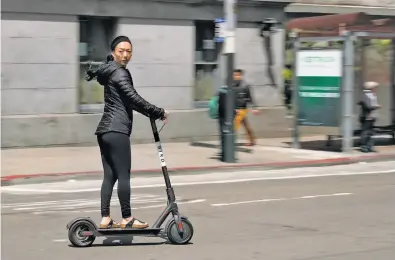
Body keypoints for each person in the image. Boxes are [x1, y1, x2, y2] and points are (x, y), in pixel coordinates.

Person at [85, 35, 169, 229]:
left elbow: (127, 101)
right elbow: (133, 97)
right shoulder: (120, 73)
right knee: (124, 175)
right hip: (117, 130)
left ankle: (105, 217)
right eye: (121, 51)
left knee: (110, 176)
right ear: (113, 52)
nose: (125, 55)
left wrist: (150, 113)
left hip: (104, 131)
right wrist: (158, 111)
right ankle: (127, 218)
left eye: (129, 51)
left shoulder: (109, 73)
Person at [233, 69, 259, 146]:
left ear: (241, 76)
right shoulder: (232, 85)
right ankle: (252, 139)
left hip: (242, 108)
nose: (235, 77)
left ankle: (229, 140)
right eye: (234, 75)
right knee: (245, 124)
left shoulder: (245, 86)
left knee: (234, 124)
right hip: (235, 108)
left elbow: (250, 97)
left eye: (237, 75)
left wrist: (254, 107)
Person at [358, 81, 381, 153]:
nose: (376, 88)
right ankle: (364, 147)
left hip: (371, 117)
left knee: (370, 132)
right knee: (365, 132)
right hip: (366, 117)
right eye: (375, 87)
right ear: (371, 88)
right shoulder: (366, 95)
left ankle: (370, 146)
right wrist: (376, 106)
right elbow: (368, 106)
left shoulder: (372, 95)